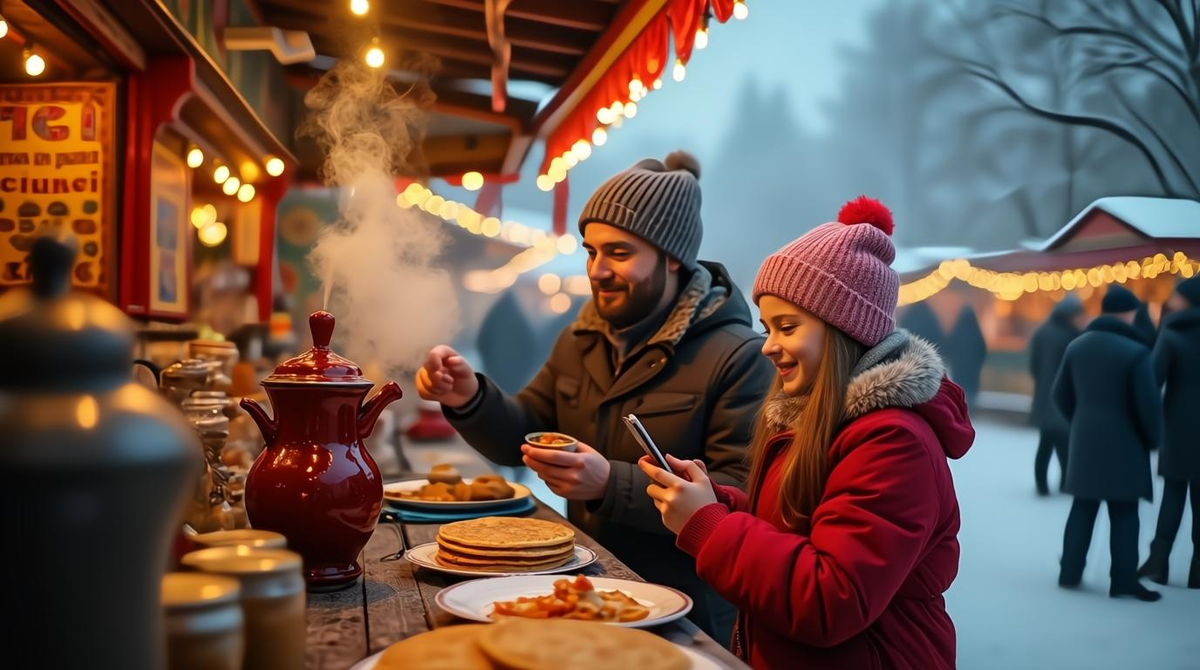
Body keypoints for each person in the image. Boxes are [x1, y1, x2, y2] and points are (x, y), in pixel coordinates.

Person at [415, 151, 774, 640]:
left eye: (619, 253)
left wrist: (610, 484)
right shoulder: (581, 339)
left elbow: (742, 496)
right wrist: (470, 397)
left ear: (673, 258)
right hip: (587, 596)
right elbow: (523, 433)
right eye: (591, 251)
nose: (598, 270)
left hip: (688, 621)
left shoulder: (741, 357)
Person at [639, 197, 974, 668]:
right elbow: (799, 534)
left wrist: (710, 527)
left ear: (843, 328)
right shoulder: (818, 419)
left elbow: (830, 600)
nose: (768, 346)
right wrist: (717, 502)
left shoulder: (893, 443)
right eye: (767, 327)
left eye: (787, 327)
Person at [1053, 284, 1162, 601]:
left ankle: (1069, 573)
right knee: (1125, 512)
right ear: (1129, 313)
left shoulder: (1078, 345)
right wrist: (1152, 438)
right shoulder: (1136, 351)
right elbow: (1147, 405)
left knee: (1082, 508)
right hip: (1125, 445)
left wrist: (1081, 421)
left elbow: (1060, 395)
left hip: (1085, 442)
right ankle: (1123, 580)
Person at [1139, 276, 1200, 589]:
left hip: (1178, 428)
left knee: (1173, 496)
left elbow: (1152, 381)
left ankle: (1158, 563)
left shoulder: (1173, 331)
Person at [1029, 294, 1087, 495]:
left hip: (1044, 397)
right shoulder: (1074, 336)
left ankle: (1042, 486)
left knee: (1046, 444)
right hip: (1065, 399)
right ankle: (1065, 484)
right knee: (1064, 445)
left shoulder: (1042, 332)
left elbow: (1034, 366)